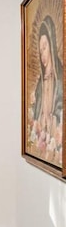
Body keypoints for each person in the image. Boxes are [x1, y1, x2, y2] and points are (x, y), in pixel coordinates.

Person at [30, 15, 63, 163]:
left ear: (52, 45)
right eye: (40, 49)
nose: (43, 54)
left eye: (45, 47)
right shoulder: (40, 84)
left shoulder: (61, 78)